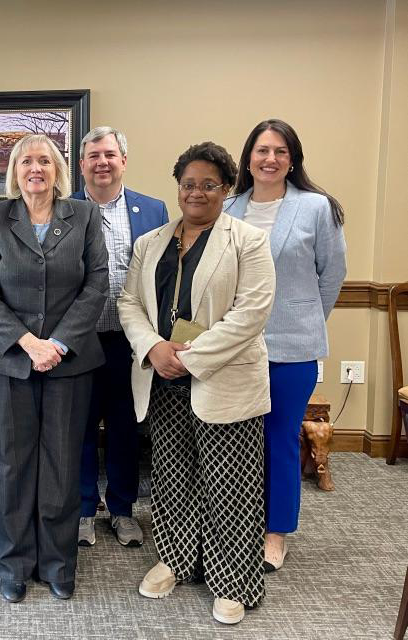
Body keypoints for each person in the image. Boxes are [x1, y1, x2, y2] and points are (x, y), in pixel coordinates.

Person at [118, 142, 275, 625]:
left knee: (230, 484)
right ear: (178, 188)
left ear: (226, 189)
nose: (197, 192)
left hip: (222, 380)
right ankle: (175, 559)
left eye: (209, 184)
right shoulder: (152, 243)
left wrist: (190, 358)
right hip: (163, 379)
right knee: (172, 477)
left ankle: (232, 580)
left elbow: (251, 313)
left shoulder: (247, 241)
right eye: (189, 184)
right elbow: (130, 303)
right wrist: (155, 349)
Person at [0, 134, 109, 602]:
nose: (36, 168)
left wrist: (59, 344)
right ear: (14, 171)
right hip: (9, 361)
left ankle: (57, 562)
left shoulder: (85, 215)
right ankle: (13, 563)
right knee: (11, 464)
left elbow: (97, 283)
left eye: (44, 160)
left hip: (70, 363)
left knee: (61, 464)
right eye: (26, 160)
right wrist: (28, 342)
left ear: (58, 170)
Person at [224, 119, 347, 572]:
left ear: (292, 159)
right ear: (248, 158)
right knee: (238, 440)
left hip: (292, 346)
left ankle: (275, 533)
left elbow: (331, 275)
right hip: (235, 345)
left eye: (279, 151)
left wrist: (305, 316)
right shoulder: (230, 207)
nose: (270, 158)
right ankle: (238, 523)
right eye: (261, 150)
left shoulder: (317, 207)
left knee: (279, 439)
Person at [70, 126, 169, 548]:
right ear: (81, 165)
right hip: (79, 341)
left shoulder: (153, 210)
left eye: (109, 154)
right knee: (80, 429)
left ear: (123, 161)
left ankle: (124, 509)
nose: (102, 162)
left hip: (131, 344)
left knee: (128, 427)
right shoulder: (63, 209)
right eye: (93, 156)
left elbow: (165, 277)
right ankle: (84, 510)